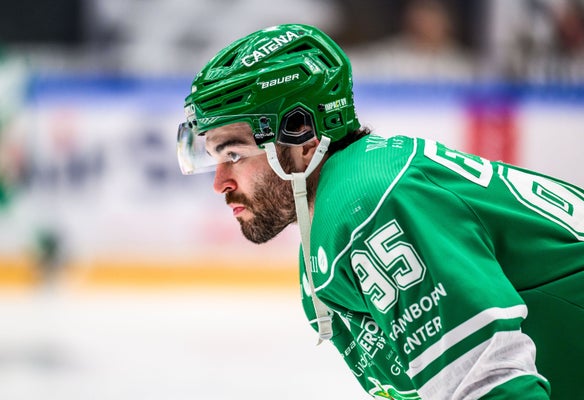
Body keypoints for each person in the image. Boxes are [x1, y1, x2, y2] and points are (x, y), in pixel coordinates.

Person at [176, 24, 583, 399]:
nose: (220, 182)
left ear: (302, 137)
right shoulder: (333, 230)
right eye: (214, 158)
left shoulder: (366, 207)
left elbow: (493, 387)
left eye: (234, 154)